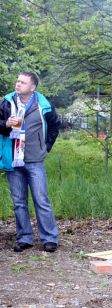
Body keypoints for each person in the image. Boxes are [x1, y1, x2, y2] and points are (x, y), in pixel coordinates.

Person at [0, 72, 60, 253]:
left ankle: (49, 239)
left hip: (35, 160)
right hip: (14, 160)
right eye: (17, 81)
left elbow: (55, 126)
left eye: (23, 82)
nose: (18, 84)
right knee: (19, 202)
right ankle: (24, 238)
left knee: (41, 199)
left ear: (32, 87)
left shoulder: (44, 105)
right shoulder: (6, 102)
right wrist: (6, 124)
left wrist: (46, 147)